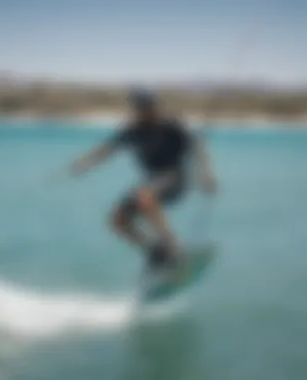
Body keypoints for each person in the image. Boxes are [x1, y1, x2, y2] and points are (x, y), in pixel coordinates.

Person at [60, 89, 217, 269]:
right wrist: (83, 163)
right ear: (136, 109)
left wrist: (206, 174)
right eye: (141, 108)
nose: (147, 111)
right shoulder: (134, 131)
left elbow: (197, 146)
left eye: (150, 107)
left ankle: (175, 249)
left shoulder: (172, 127)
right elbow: (106, 149)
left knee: (144, 195)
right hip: (152, 183)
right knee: (119, 220)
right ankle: (156, 251)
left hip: (175, 179)